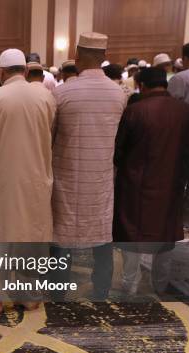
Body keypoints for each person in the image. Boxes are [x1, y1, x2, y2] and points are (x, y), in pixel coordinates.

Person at [0, 48, 56, 312]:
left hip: (0, 179)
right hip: (35, 177)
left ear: (3, 71)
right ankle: (29, 296)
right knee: (31, 235)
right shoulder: (46, 96)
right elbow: (50, 133)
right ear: (26, 69)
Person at [50, 32, 127, 301]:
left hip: (66, 175)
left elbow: (51, 135)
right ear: (104, 58)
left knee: (62, 233)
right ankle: (101, 289)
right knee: (101, 234)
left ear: (77, 56)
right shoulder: (119, 94)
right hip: (101, 177)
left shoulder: (62, 93)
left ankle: (58, 290)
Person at [114, 67, 189, 295]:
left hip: (135, 185)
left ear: (142, 86)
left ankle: (129, 285)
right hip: (172, 184)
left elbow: (118, 152)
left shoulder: (135, 111)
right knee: (166, 234)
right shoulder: (185, 112)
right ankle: (160, 285)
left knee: (131, 235)